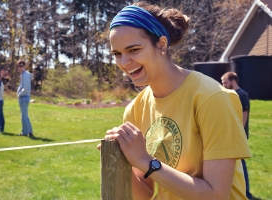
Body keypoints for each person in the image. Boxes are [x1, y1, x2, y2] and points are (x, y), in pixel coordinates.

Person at [99, 2, 251, 199]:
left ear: (161, 45)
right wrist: (122, 158)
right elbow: (145, 193)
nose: (124, 63)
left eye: (134, 50)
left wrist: (146, 161)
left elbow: (216, 195)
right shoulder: (135, 109)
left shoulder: (212, 98)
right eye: (117, 54)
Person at [221, 71, 252, 199]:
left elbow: (244, 115)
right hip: (233, 134)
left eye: (225, 82)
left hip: (238, 136)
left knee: (240, 165)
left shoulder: (242, 95)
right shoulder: (231, 94)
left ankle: (246, 193)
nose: (223, 84)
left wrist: (238, 133)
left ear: (233, 81)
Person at [16, 60, 34, 138]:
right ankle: (29, 131)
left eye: (21, 66)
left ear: (24, 66)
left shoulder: (25, 75)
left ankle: (25, 132)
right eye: (18, 66)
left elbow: (25, 88)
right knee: (25, 115)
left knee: (23, 116)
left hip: (24, 97)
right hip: (24, 97)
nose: (20, 68)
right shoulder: (23, 75)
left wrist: (19, 94)